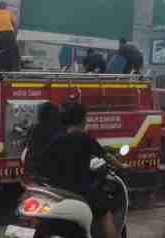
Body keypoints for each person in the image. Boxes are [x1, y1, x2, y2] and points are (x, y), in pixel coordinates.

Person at [43, 102, 117, 238]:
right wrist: (122, 165)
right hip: (81, 190)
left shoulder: (55, 140)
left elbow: (45, 163)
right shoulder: (85, 139)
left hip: (57, 191)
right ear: (82, 120)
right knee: (106, 212)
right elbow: (105, 156)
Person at [23, 102, 60, 180]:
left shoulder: (34, 128)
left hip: (34, 168)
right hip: (52, 169)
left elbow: (27, 145)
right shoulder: (59, 129)